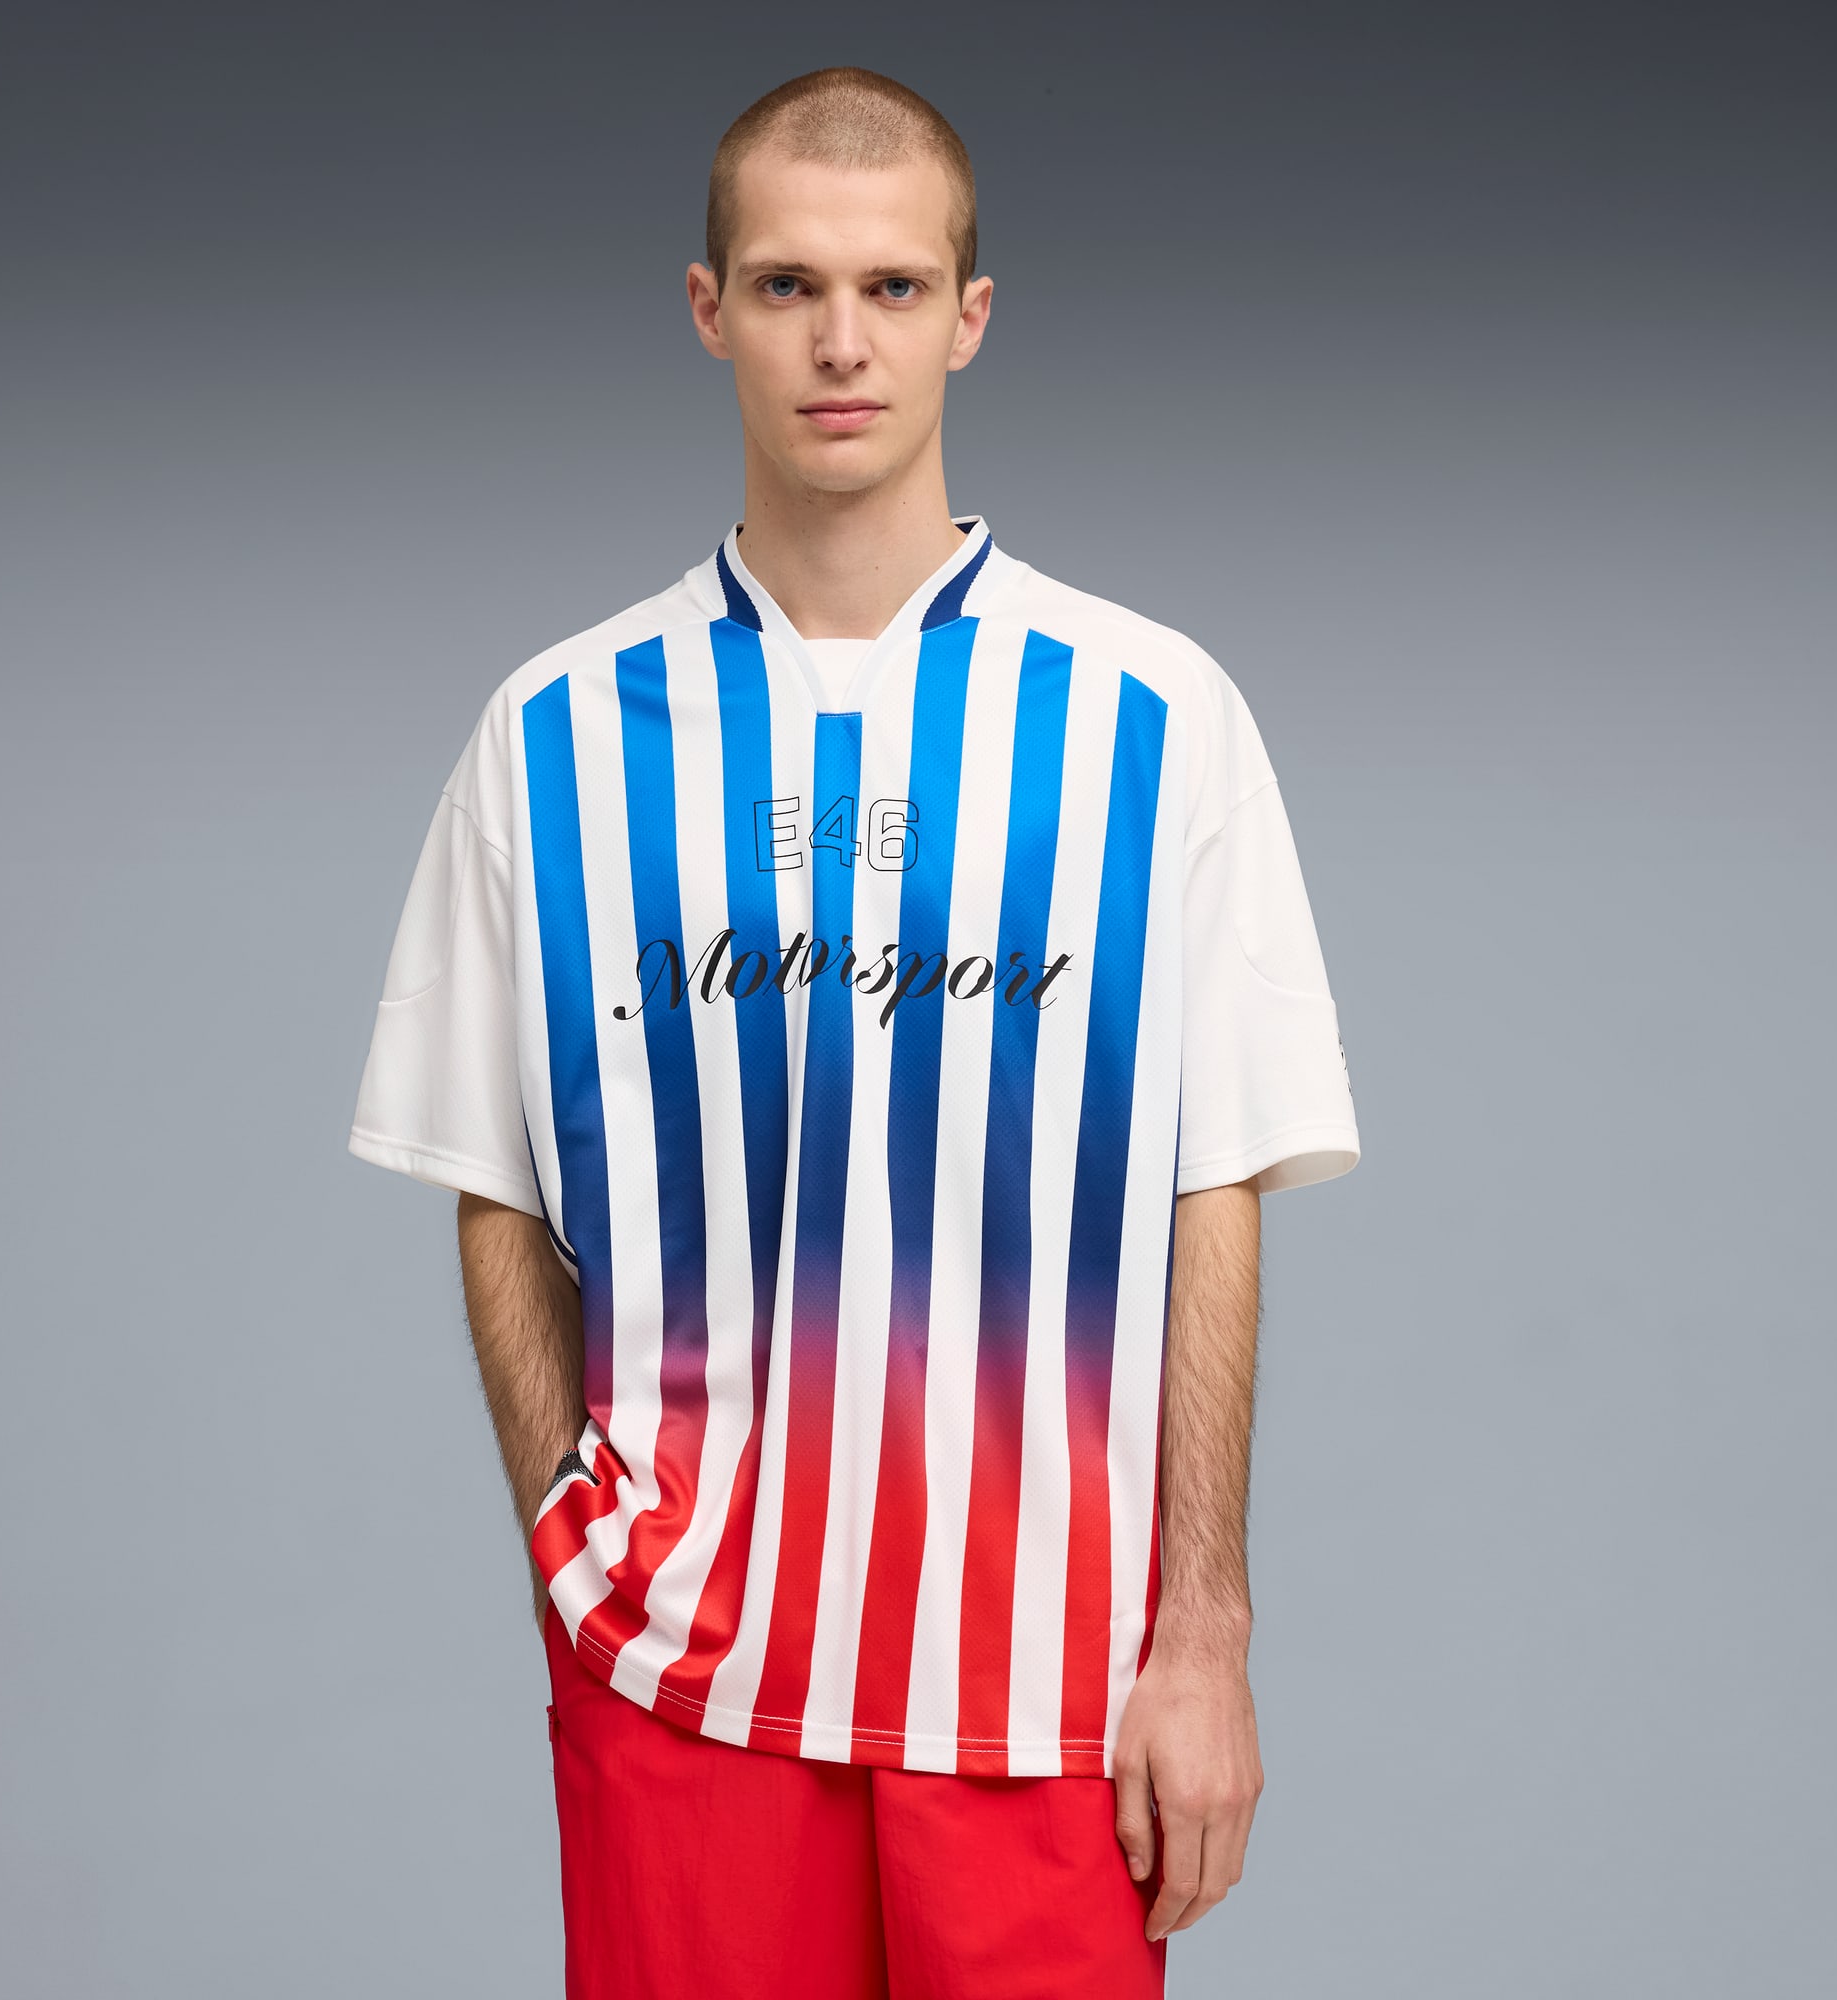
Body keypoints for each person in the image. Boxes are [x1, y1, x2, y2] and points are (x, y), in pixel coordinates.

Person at [348, 64, 1359, 2000]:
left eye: (891, 288)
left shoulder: (1153, 718)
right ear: (708, 307)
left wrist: (1204, 1636)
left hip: (1052, 1693)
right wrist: (573, 1540)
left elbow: (1212, 1184)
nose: (840, 342)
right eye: (789, 284)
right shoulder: (554, 735)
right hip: (684, 1678)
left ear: (968, 317)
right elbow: (489, 1173)